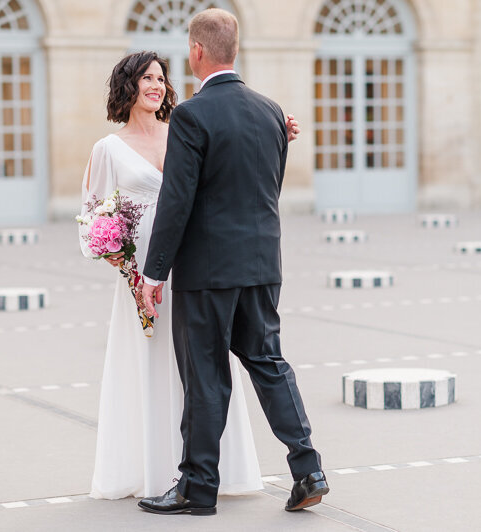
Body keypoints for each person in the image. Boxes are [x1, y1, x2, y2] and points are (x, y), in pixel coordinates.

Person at [79, 51, 300, 500]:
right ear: (128, 86)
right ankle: (156, 469)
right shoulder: (108, 147)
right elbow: (93, 217)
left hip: (198, 264)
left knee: (201, 370)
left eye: (161, 78)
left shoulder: (185, 123)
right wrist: (130, 268)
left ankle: (204, 478)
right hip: (145, 270)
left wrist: (280, 132)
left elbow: (227, 162)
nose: (156, 85)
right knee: (157, 366)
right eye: (146, 78)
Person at [139, 8, 327, 517]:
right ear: (235, 50)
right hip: (263, 262)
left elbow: (177, 201)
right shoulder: (272, 112)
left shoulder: (192, 116)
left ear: (197, 52)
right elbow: (270, 186)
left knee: (205, 374)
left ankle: (197, 488)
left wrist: (153, 271)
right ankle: (307, 469)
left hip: (207, 271)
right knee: (268, 363)